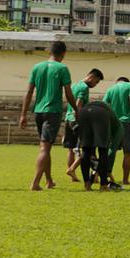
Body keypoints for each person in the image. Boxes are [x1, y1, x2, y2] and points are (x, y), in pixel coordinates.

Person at [19, 40, 78, 191]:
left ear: (49, 52)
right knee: (45, 148)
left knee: (46, 147)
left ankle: (49, 180)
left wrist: (23, 114)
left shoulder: (37, 67)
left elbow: (29, 92)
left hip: (38, 111)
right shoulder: (62, 68)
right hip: (53, 112)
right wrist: (77, 110)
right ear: (63, 54)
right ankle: (35, 183)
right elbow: (69, 93)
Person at [63, 69, 103, 181]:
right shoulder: (84, 88)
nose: (95, 85)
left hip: (68, 119)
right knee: (87, 148)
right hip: (77, 120)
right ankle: (73, 170)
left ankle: (73, 175)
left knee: (71, 149)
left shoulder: (75, 85)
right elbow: (79, 104)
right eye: (96, 82)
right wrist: (80, 120)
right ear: (92, 77)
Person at [102, 77, 130, 185]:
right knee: (127, 153)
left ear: (117, 82)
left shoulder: (111, 89)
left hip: (113, 123)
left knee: (110, 150)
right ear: (126, 81)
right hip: (127, 123)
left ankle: (98, 175)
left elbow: (104, 104)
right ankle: (125, 180)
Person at [76, 99, 120, 190]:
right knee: (103, 151)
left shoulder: (89, 106)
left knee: (86, 150)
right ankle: (103, 184)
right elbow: (116, 129)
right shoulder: (110, 111)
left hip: (83, 113)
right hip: (101, 115)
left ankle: (87, 184)